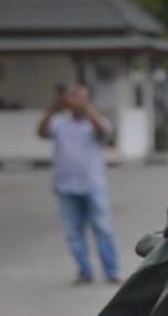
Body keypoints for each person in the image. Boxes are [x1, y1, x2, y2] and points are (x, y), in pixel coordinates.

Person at [36, 83, 121, 285]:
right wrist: (53, 108)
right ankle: (84, 272)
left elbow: (104, 132)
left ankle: (112, 271)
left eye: (79, 97)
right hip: (66, 186)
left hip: (93, 185)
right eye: (71, 97)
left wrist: (87, 108)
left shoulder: (97, 123)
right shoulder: (60, 124)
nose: (74, 101)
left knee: (103, 229)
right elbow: (41, 132)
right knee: (73, 233)